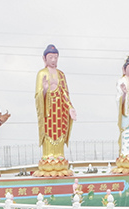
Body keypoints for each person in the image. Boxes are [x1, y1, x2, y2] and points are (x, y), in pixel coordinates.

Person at [34, 44, 76, 176]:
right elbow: (38, 95)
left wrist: (70, 108)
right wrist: (45, 89)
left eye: (55, 57)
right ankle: (48, 156)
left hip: (60, 109)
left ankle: (59, 155)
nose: (53, 60)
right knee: (49, 131)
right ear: (44, 58)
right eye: (50, 57)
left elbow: (65, 93)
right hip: (48, 109)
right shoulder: (42, 73)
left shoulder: (61, 74)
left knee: (60, 131)